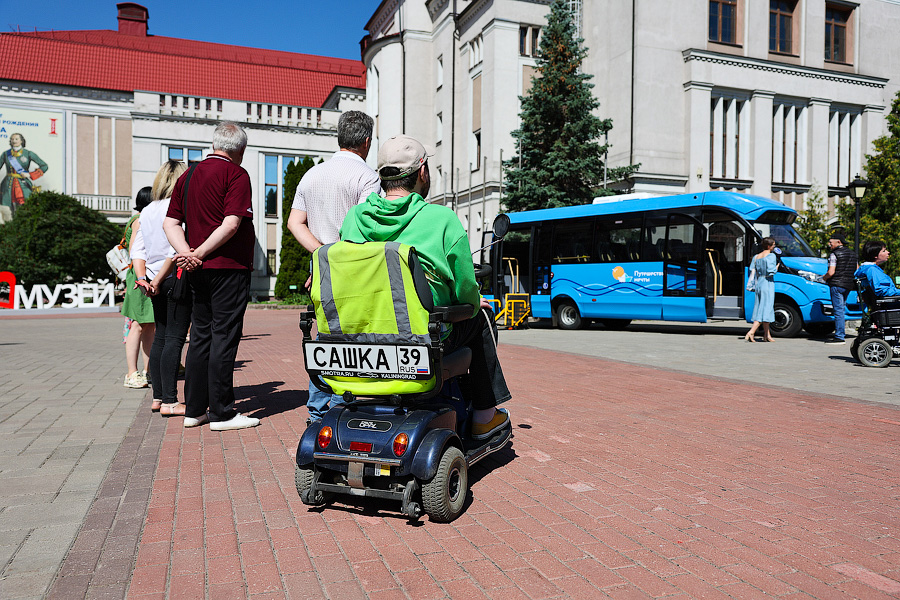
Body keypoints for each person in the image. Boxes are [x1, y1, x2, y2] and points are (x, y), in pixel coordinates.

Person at [339, 135, 510, 440]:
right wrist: (473, 303)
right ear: (421, 173)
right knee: (481, 319)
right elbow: (466, 289)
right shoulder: (441, 219)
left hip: (364, 338)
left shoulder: (354, 219)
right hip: (421, 338)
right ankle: (484, 415)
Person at [164, 122, 259, 431]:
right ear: (239, 150)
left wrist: (187, 254)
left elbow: (171, 223)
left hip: (196, 270)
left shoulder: (188, 175)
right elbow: (232, 224)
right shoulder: (236, 174)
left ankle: (194, 409)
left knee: (201, 336)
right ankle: (222, 412)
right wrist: (199, 253)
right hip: (227, 267)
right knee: (224, 337)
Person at [287, 110, 381, 423]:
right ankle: (343, 408)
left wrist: (322, 253)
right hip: (355, 273)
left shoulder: (311, 175)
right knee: (353, 344)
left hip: (322, 271)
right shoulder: (367, 176)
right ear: (366, 141)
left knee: (325, 337)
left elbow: (294, 222)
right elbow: (368, 227)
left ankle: (317, 412)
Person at [132, 161, 191, 414]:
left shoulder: (147, 211)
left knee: (160, 338)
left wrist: (145, 279)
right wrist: (155, 281)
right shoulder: (179, 208)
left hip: (153, 280)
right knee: (175, 339)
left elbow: (138, 250)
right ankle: (170, 401)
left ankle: (158, 398)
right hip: (174, 278)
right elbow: (175, 249)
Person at [122, 186, 156, 390]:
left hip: (144, 276)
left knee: (149, 324)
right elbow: (136, 249)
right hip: (139, 277)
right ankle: (131, 373)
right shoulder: (140, 220)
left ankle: (148, 371)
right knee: (137, 324)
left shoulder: (143, 218)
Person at [1, 133, 49, 217]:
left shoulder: (28, 154)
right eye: (12, 139)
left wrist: (30, 175)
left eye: (16, 139)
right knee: (7, 212)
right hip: (8, 186)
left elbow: (44, 166)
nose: (14, 141)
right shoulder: (5, 154)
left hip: (23, 185)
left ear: (21, 141)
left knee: (25, 210)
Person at [822, 234, 857, 345]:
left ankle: (839, 337)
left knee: (838, 311)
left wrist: (824, 277)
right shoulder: (853, 254)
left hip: (836, 285)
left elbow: (831, 272)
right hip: (848, 285)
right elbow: (857, 270)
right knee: (841, 309)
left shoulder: (834, 254)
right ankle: (841, 334)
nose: (829, 244)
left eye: (831, 242)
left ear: (839, 242)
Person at [744, 237, 778, 343]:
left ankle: (766, 335)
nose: (774, 246)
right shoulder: (772, 256)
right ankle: (751, 331)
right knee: (766, 308)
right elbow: (771, 271)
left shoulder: (756, 256)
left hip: (759, 283)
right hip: (767, 283)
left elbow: (751, 269)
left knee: (761, 307)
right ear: (769, 246)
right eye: (773, 245)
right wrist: (776, 267)